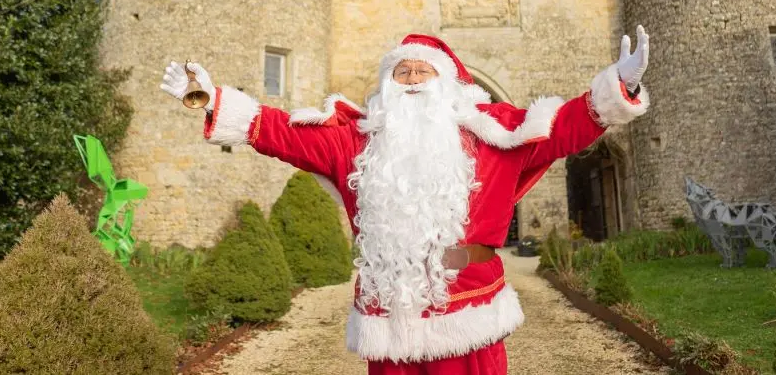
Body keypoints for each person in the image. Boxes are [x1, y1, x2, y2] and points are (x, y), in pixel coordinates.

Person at [160, 28, 650, 375]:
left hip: (468, 306)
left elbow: (562, 127)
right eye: (402, 71)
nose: (413, 79)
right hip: (389, 310)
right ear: (387, 86)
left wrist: (618, 87)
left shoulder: (493, 135)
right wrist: (212, 97)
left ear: (446, 85)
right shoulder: (356, 142)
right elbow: (281, 133)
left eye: (423, 71)